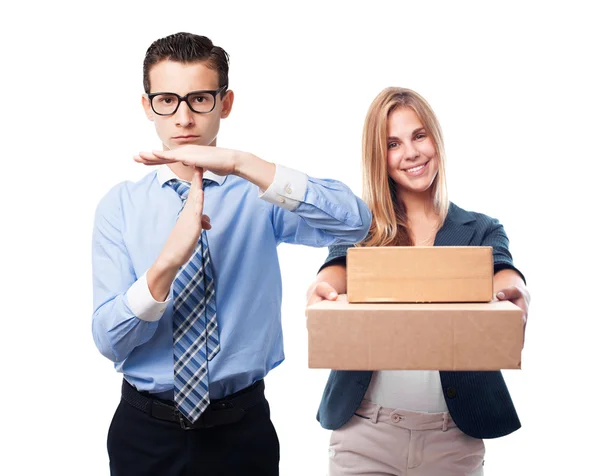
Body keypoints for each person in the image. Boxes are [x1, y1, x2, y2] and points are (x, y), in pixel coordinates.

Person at [92, 32, 371, 476]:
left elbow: (356, 222)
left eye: (200, 98)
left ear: (225, 103)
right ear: (148, 107)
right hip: (144, 435)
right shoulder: (120, 206)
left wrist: (243, 163)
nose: (183, 117)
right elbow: (110, 341)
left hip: (241, 433)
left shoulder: (260, 195)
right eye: (167, 100)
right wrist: (166, 265)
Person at [306, 87, 530, 476]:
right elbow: (341, 263)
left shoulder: (479, 228)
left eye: (419, 136)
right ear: (380, 156)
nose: (410, 152)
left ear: (436, 140)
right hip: (365, 434)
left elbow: (501, 267)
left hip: (453, 440)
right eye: (393, 143)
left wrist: (516, 289)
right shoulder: (363, 226)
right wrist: (323, 284)